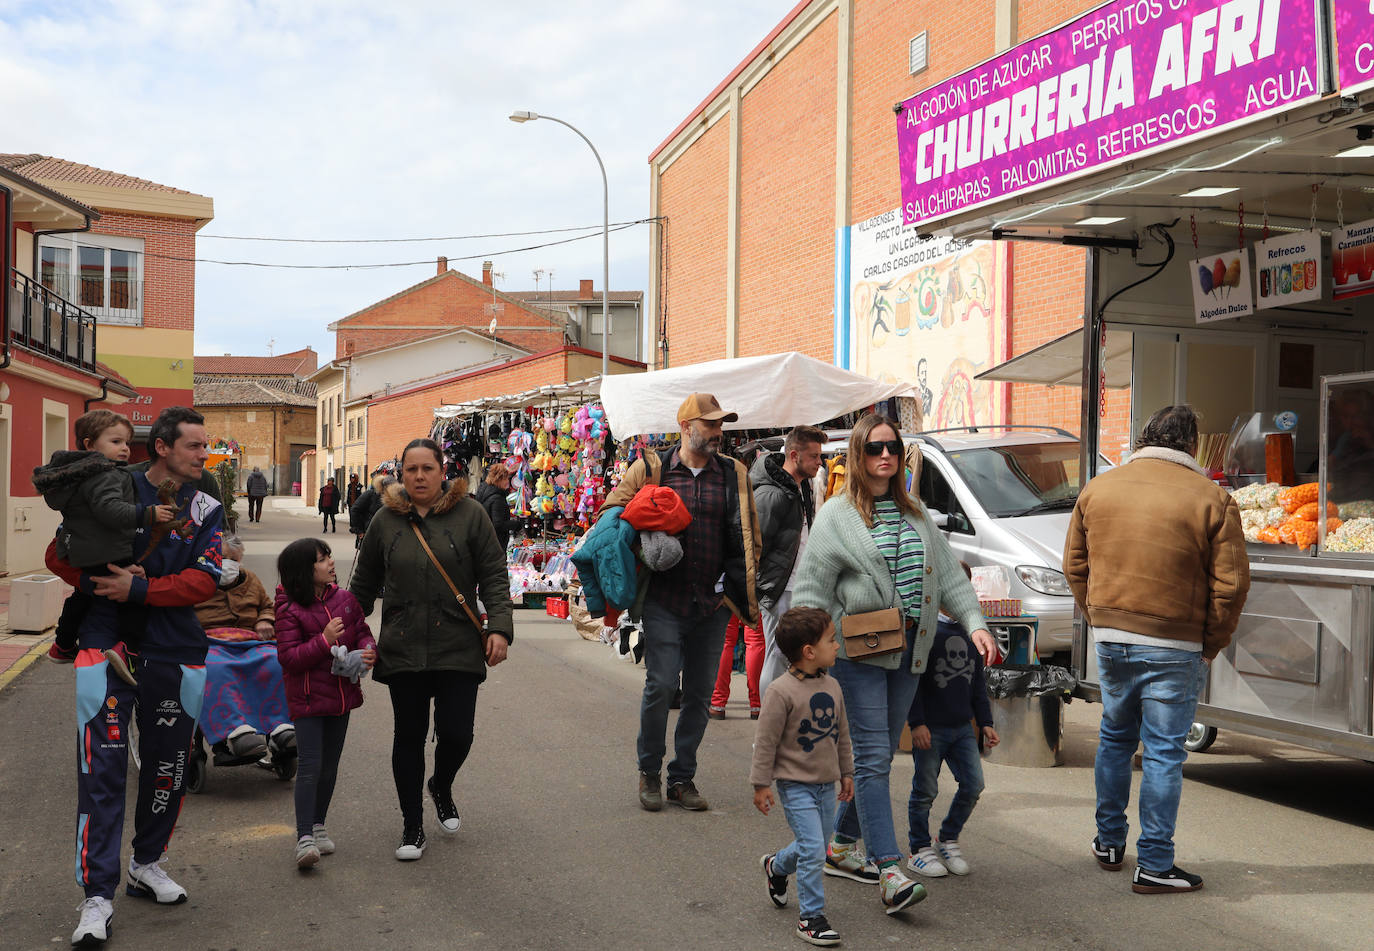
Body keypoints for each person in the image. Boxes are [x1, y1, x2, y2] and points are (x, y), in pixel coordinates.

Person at [791, 412, 993, 915]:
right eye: (874, 448)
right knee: (876, 758)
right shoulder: (838, 515)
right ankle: (888, 868)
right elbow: (813, 589)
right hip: (856, 657)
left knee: (874, 759)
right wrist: (806, 658)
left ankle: (839, 845)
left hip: (910, 655)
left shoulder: (916, 512)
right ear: (858, 456)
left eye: (893, 448)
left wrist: (976, 624)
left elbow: (948, 577)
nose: (885, 456)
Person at [45, 406, 223, 948]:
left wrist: (142, 589)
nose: (204, 455)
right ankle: (96, 896)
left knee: (168, 766)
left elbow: (205, 579)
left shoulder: (206, 505)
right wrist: (105, 581)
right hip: (106, 643)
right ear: (162, 446)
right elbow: (58, 554)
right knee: (102, 770)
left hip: (177, 648)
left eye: (205, 447)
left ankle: (148, 864)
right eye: (195, 446)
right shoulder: (108, 484)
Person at [1064, 405, 1249, 895]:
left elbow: (1074, 565)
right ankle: (1156, 865)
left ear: (1145, 439)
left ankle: (1108, 842)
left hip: (1112, 638)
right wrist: (1211, 644)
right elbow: (1229, 586)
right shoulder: (1212, 498)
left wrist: (1098, 616)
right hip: (1176, 645)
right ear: (1191, 446)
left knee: (1114, 740)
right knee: (1164, 754)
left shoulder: (1099, 488)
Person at [350, 438, 513, 861]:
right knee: (408, 736)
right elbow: (363, 584)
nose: (419, 476)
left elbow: (494, 574)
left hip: (458, 642)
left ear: (443, 471)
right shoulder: (385, 520)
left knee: (458, 734)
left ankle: (440, 784)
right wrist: (344, 630)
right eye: (411, 470)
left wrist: (500, 628)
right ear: (401, 474)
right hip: (403, 646)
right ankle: (412, 826)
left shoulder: (471, 514)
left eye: (427, 468)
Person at [598, 393, 761, 813]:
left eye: (720, 426)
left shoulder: (734, 473)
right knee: (662, 684)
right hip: (664, 600)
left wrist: (742, 582)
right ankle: (649, 772)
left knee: (701, 695)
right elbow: (611, 514)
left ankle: (682, 777)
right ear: (687, 427)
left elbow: (748, 530)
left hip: (713, 601)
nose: (718, 433)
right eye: (711, 425)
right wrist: (645, 522)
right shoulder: (652, 468)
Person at [33, 409, 175, 681]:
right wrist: (149, 514)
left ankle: (62, 644)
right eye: (116, 442)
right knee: (135, 593)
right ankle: (128, 649)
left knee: (82, 596)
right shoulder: (106, 475)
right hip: (106, 550)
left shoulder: (79, 475)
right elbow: (109, 510)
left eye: (126, 442)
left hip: (81, 549)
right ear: (89, 445)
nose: (124, 448)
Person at [751, 607, 854, 948]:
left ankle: (776, 867)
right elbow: (765, 741)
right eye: (831, 640)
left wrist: (847, 773)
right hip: (795, 785)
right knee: (813, 850)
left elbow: (841, 734)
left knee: (813, 847)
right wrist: (761, 783)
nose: (837, 646)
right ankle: (811, 917)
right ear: (810, 652)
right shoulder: (780, 692)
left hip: (826, 785)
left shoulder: (833, 686)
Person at [274, 538, 377, 869]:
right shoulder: (289, 609)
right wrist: (324, 641)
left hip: (341, 695)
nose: (331, 562)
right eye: (322, 559)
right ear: (305, 570)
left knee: (330, 767)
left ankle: (318, 825)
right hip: (306, 699)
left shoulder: (346, 600)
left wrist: (368, 648)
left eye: (329, 556)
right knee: (309, 766)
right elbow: (289, 659)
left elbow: (361, 631)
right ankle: (304, 837)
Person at [905, 613, 999, 878]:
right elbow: (913, 681)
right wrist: (917, 722)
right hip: (930, 729)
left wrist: (985, 721)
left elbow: (978, 683)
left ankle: (947, 839)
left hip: (962, 728)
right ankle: (919, 849)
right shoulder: (926, 631)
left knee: (974, 784)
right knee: (925, 791)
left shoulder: (973, 632)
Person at [194, 535, 290, 761]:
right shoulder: (197, 580)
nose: (228, 564)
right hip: (210, 640)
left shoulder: (250, 579)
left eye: (233, 560)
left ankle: (281, 727)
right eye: (222, 558)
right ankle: (235, 731)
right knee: (215, 669)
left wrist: (265, 619)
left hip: (250, 639)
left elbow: (268, 606)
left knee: (276, 661)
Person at [753, 425, 827, 691]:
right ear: (794, 455)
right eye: (814, 456)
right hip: (780, 588)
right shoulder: (772, 494)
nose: (820, 462)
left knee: (794, 655)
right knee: (778, 654)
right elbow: (754, 547)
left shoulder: (802, 486)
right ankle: (771, 719)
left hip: (798, 585)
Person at [709, 616, 764, 720]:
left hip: (727, 600)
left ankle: (718, 704)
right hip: (754, 600)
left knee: (726, 640)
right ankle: (757, 705)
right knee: (755, 640)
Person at [474, 462, 515, 551]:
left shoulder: (483, 491)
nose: (508, 482)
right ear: (498, 479)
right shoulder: (497, 498)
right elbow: (498, 525)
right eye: (505, 479)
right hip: (496, 544)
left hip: (484, 541)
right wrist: (516, 524)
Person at [349, 472, 393, 548]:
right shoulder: (370, 495)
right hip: (368, 534)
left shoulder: (392, 499)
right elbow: (354, 510)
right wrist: (359, 531)